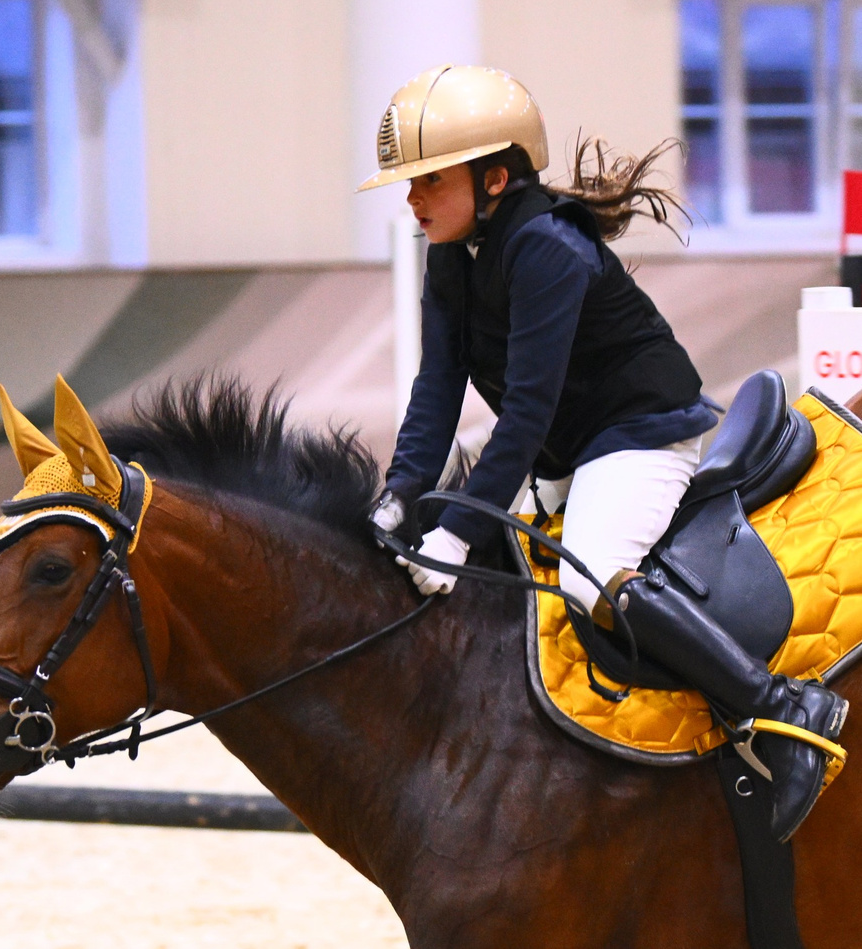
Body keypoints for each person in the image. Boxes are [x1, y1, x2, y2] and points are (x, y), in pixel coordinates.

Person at [357, 63, 848, 843]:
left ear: (493, 178)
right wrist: (400, 492)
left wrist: (457, 529)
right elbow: (439, 383)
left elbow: (525, 412)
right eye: (410, 182)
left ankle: (783, 708)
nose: (412, 198)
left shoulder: (546, 246)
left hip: (641, 429)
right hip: (572, 447)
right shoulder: (452, 252)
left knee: (591, 575)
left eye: (429, 179)